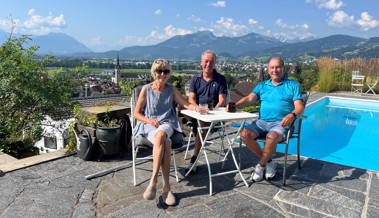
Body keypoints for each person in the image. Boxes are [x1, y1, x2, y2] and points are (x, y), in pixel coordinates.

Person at [132, 59, 199, 206]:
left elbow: (185, 103)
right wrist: (149, 121)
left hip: (167, 123)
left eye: (166, 71)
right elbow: (136, 114)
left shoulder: (171, 89)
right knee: (166, 142)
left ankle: (153, 181)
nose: (162, 74)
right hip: (149, 126)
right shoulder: (146, 89)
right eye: (159, 71)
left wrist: (197, 108)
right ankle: (167, 188)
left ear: (169, 73)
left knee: (162, 135)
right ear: (154, 73)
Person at [230, 57, 304, 182]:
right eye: (272, 67)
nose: (275, 70)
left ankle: (260, 166)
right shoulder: (262, 85)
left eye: (278, 67)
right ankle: (269, 162)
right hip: (262, 122)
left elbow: (299, 107)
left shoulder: (292, 85)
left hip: (280, 123)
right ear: (268, 70)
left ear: (283, 69)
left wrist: (292, 115)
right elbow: (249, 99)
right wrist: (234, 106)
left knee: (271, 137)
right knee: (244, 134)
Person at [185, 50, 228, 174]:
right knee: (179, 107)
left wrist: (211, 110)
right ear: (201, 62)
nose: (208, 64)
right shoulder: (195, 79)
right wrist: (197, 108)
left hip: (213, 114)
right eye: (206, 61)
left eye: (211, 62)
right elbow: (191, 99)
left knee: (202, 124)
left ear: (214, 63)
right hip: (197, 111)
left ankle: (194, 159)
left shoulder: (220, 79)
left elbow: (222, 100)